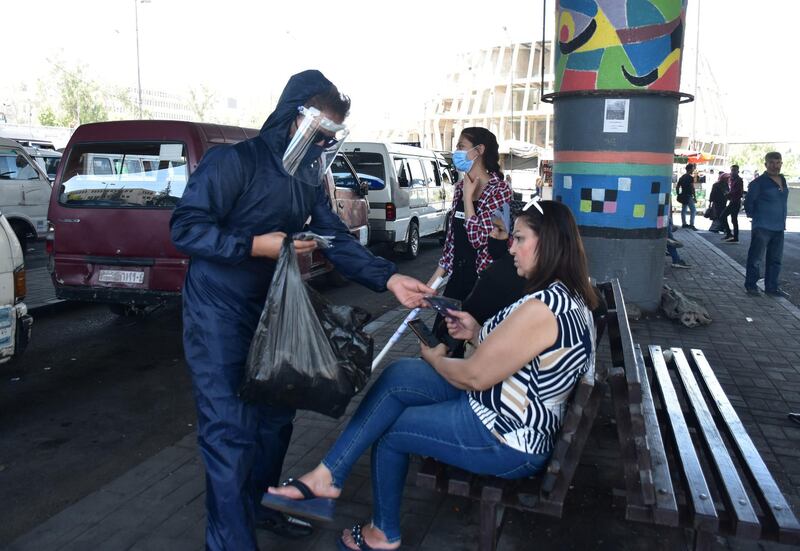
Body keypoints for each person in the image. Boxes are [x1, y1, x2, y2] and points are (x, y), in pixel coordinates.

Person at [169, 70, 433, 550]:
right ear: (294, 120)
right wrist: (253, 245)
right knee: (231, 432)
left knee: (274, 421)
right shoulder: (234, 162)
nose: (324, 144)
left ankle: (259, 508)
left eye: (332, 136)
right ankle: (230, 541)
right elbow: (185, 229)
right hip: (219, 311)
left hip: (274, 308)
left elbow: (333, 237)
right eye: (320, 133)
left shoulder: (307, 178)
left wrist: (388, 278)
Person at [265, 200, 598, 550]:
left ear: (547, 243)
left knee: (392, 431)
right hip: (501, 409)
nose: (510, 247)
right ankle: (327, 474)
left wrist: (436, 358)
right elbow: (524, 353)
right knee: (401, 374)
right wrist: (475, 330)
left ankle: (384, 533)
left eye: (519, 238)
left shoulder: (544, 307)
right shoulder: (562, 296)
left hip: (506, 437)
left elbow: (473, 377)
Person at [427, 128, 512, 344]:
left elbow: (478, 239)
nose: (456, 152)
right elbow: (451, 247)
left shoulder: (500, 191)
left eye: (461, 146)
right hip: (457, 279)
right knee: (440, 341)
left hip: (483, 284)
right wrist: (431, 286)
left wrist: (468, 198)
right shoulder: (458, 188)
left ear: (479, 150)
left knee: (468, 347)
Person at [743, 152, 790, 298]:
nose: (775, 166)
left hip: (779, 227)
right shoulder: (758, 183)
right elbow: (748, 202)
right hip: (762, 226)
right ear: (766, 164)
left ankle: (772, 287)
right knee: (756, 258)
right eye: (772, 163)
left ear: (781, 163)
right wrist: (755, 218)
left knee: (775, 259)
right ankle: (751, 285)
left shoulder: (783, 180)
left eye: (778, 163)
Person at [720, 164, 744, 243]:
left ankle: (734, 236)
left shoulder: (739, 180)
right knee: (725, 217)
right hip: (732, 201)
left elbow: (739, 191)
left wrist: (729, 194)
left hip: (735, 202)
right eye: (732, 170)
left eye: (734, 170)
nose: (732, 172)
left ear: (738, 171)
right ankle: (730, 234)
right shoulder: (732, 179)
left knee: (731, 218)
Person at [676, 163, 697, 229]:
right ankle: (691, 225)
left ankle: (684, 223)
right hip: (688, 195)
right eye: (693, 168)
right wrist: (695, 197)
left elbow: (677, 186)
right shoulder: (690, 178)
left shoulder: (682, 177)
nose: (693, 169)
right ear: (690, 169)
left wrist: (678, 194)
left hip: (683, 195)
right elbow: (692, 188)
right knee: (693, 210)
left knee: (684, 209)